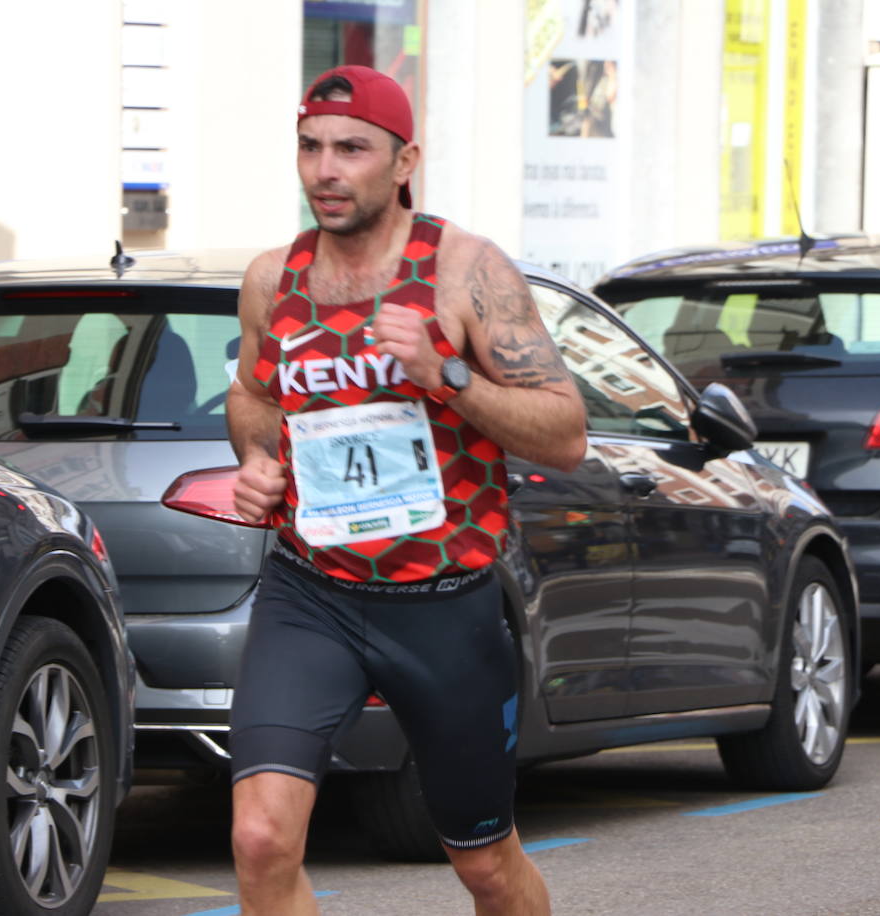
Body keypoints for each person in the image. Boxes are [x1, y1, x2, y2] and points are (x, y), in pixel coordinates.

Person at [225, 64, 587, 915]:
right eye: (311, 148)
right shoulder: (272, 279)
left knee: (484, 864)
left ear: (403, 160)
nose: (326, 169)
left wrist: (446, 373)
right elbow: (252, 393)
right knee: (259, 838)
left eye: (352, 149)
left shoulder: (465, 271)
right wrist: (255, 461)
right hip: (311, 592)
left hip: (445, 606)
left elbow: (565, 431)